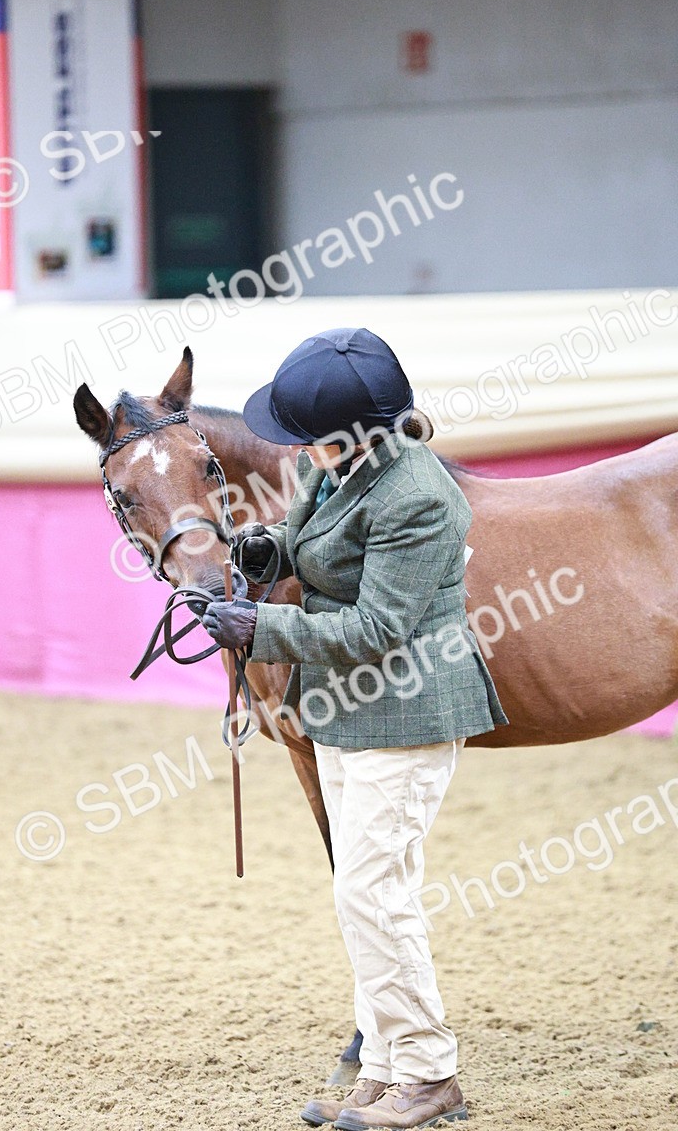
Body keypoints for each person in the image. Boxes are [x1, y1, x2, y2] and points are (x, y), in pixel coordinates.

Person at [202, 327, 508, 1130]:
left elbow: (376, 629)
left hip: (405, 709)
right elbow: (306, 543)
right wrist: (263, 554)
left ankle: (432, 1075)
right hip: (340, 708)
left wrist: (256, 632)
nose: (298, 449)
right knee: (364, 895)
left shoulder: (420, 498)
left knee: (375, 893)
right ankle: (383, 1065)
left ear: (351, 432)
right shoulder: (333, 470)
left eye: (308, 436)